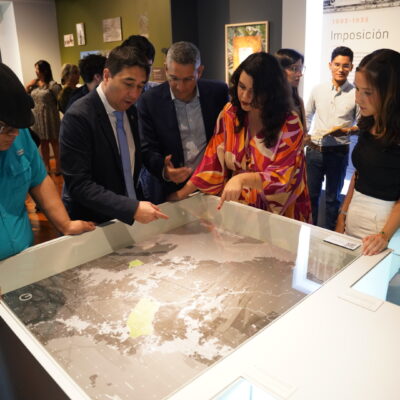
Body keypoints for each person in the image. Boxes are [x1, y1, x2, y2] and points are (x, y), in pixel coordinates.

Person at [168, 52, 311, 222]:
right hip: (240, 210)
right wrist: (182, 194)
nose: (245, 96)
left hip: (280, 214)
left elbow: (282, 178)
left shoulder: (289, 124)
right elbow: (212, 160)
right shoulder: (231, 113)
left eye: (254, 91)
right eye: (242, 87)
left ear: (271, 92)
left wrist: (242, 179)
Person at [60, 45, 168, 225]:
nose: (134, 94)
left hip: (130, 218)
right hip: (95, 223)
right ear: (107, 75)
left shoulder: (130, 111)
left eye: (140, 86)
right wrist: (130, 208)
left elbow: (135, 153)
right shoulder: (78, 117)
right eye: (128, 84)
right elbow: (79, 184)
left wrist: (164, 170)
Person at [0, 62, 95, 261]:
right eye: (5, 128)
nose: (14, 134)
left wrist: (65, 224)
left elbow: (39, 180)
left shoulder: (19, 134)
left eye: (17, 128)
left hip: (23, 255)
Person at [137, 41, 229, 202]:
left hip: (213, 184)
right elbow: (147, 149)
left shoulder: (217, 92)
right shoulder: (149, 101)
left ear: (199, 72)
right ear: (166, 69)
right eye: (174, 78)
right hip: (172, 189)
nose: (180, 87)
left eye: (188, 79)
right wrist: (165, 171)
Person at [336, 49, 400, 256]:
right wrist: (343, 214)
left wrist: (383, 235)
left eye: (368, 93)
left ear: (390, 92)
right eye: (357, 89)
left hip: (384, 233)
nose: (358, 99)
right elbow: (358, 174)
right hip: (353, 223)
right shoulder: (367, 125)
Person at [305, 46, 359, 230]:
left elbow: (362, 125)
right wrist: (305, 134)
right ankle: (309, 233)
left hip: (338, 153)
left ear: (351, 67)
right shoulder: (318, 89)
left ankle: (329, 236)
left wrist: (347, 131)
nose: (340, 69)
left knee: (332, 199)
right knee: (310, 196)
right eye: (337, 64)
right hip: (314, 151)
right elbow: (307, 115)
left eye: (345, 65)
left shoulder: (356, 94)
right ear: (330, 65)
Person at [26, 60, 62, 174]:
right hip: (38, 118)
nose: (35, 71)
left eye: (37, 68)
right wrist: (28, 85)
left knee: (54, 142)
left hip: (50, 117)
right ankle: (46, 167)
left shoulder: (53, 85)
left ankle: (59, 167)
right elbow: (25, 95)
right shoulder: (34, 84)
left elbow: (60, 101)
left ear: (44, 70)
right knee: (43, 143)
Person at [276, 48, 306, 130]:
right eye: (294, 69)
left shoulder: (298, 101)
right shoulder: (268, 101)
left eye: (300, 69)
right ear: (279, 70)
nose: (299, 74)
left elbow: (304, 132)